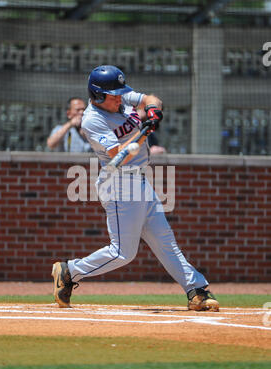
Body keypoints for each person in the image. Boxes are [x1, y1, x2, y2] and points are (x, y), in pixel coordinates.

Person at [51, 65, 219, 312]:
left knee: (165, 240)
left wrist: (152, 110)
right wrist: (144, 130)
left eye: (121, 92)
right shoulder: (92, 120)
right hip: (119, 184)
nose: (120, 97)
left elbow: (152, 99)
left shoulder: (118, 97)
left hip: (140, 181)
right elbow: (120, 155)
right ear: (98, 96)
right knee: (122, 253)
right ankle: (70, 271)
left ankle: (196, 291)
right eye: (113, 95)